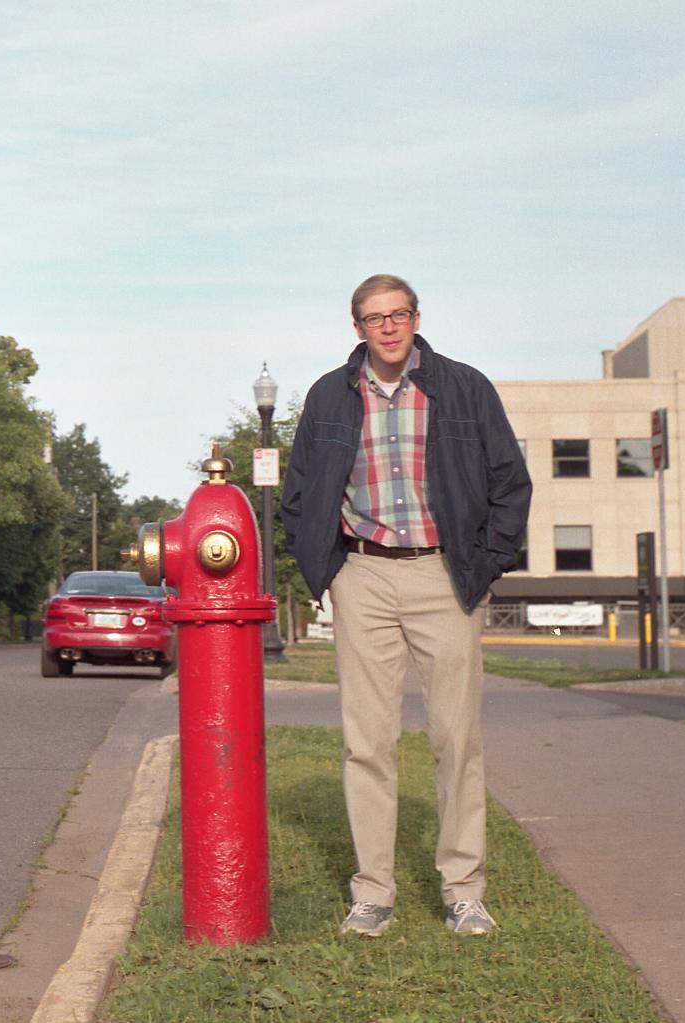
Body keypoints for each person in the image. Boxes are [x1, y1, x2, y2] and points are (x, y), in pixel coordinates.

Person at [282, 274, 531, 937]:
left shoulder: (463, 388)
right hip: (363, 576)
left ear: (417, 318)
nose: (388, 327)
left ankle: (463, 889)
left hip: (444, 576)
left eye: (399, 315)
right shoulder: (329, 396)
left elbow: (510, 480)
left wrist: (489, 560)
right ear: (357, 327)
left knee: (457, 738)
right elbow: (300, 490)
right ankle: (373, 891)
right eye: (373, 317)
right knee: (367, 741)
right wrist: (326, 569)